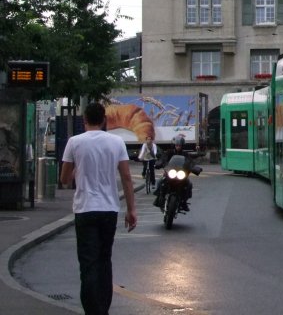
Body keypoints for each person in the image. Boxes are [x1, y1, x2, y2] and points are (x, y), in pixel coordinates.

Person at [59, 102, 137, 315]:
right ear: (104, 120)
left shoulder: (74, 142)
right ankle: (103, 308)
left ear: (84, 120)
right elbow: (127, 178)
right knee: (104, 260)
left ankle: (92, 310)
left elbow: (64, 179)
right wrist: (131, 210)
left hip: (85, 209)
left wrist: (76, 172)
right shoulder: (116, 142)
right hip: (109, 209)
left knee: (88, 263)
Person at [153, 136, 193, 211]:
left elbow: (190, 162)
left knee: (189, 184)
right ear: (174, 145)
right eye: (176, 145)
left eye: (179, 145)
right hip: (170, 172)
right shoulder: (170, 152)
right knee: (160, 182)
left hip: (181, 174)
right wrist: (159, 163)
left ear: (182, 146)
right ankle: (159, 198)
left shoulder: (185, 154)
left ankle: (184, 202)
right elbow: (163, 158)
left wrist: (194, 167)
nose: (178, 147)